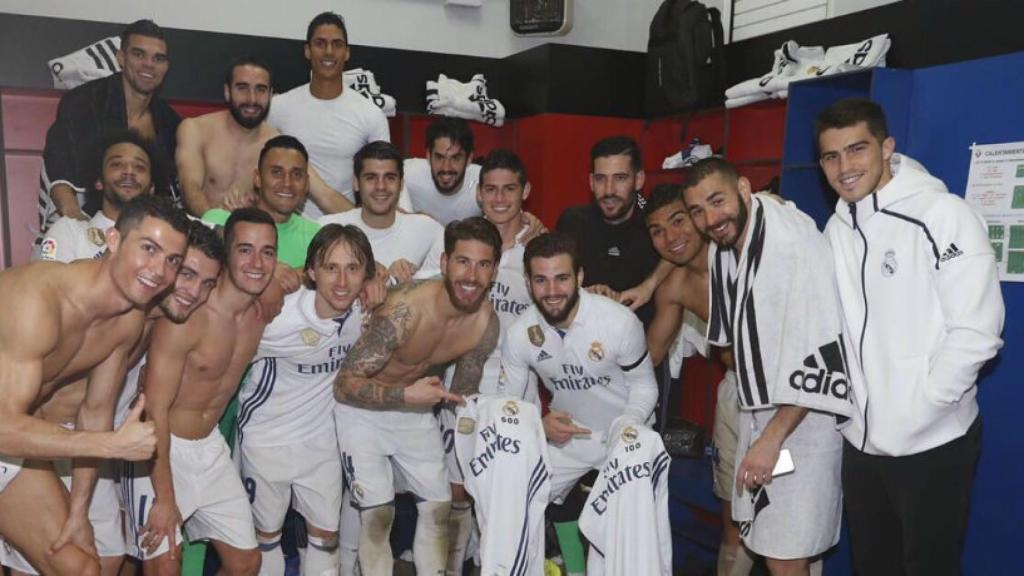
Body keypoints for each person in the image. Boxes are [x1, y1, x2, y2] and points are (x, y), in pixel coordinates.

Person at [817, 98, 1004, 576]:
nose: (844, 167)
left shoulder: (942, 214)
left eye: (857, 149)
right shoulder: (836, 228)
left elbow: (978, 330)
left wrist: (925, 404)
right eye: (831, 156)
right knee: (873, 566)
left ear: (887, 147)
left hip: (933, 440)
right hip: (861, 442)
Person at [2, 220, 224, 576]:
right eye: (186, 273)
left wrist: (78, 512)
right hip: (33, 434)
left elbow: (95, 411)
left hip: (57, 444)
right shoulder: (48, 297)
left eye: (171, 261)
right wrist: (111, 445)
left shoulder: (134, 321)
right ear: (114, 241)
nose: (191, 290)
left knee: (91, 565)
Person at [683, 158, 851, 576]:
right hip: (761, 411)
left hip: (803, 418)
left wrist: (772, 438)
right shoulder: (728, 242)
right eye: (698, 210)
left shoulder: (793, 244)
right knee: (782, 546)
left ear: (743, 188)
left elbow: (823, 353)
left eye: (717, 201)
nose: (710, 219)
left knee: (784, 553)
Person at [333, 217, 501, 576]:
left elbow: (463, 393)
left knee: (439, 508)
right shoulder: (404, 310)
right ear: (444, 262)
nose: (471, 275)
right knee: (378, 514)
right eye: (463, 261)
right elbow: (344, 384)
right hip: (361, 410)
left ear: (495, 271)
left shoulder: (485, 324)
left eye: (483, 264)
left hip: (415, 410)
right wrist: (406, 395)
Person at [497, 232, 659, 573]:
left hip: (626, 435)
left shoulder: (617, 322)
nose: (552, 291)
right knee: (513, 493)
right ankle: (571, 567)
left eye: (562, 278)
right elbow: (507, 406)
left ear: (580, 277)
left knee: (625, 533)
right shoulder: (520, 334)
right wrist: (538, 425)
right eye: (541, 280)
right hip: (569, 437)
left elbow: (645, 386)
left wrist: (628, 423)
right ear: (527, 282)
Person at [135, 208, 280, 576]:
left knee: (246, 564)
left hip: (210, 447)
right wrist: (165, 498)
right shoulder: (187, 315)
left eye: (267, 252)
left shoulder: (261, 312)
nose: (257, 263)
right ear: (226, 254)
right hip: (159, 447)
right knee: (165, 566)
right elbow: (155, 410)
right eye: (245, 250)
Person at [236, 224, 373, 576]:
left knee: (326, 537)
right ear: (311, 271)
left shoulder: (365, 312)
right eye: (331, 268)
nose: (341, 281)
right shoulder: (278, 317)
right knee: (267, 537)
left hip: (322, 442)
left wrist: (384, 279)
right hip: (267, 441)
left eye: (353, 269)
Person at [643, 184, 764, 576]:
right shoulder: (675, 287)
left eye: (678, 221)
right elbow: (649, 358)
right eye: (657, 231)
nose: (670, 237)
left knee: (790, 524)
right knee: (733, 517)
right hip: (735, 391)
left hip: (784, 394)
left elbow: (766, 208)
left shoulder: (739, 250)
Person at [41, 19, 180, 230]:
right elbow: (57, 161)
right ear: (121, 58)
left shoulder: (170, 122)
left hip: (142, 229)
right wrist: (73, 218)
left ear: (167, 66)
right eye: (139, 54)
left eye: (158, 58)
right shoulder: (84, 101)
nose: (149, 64)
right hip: (83, 222)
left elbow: (168, 191)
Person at [176, 57, 351, 217]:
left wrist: (365, 225)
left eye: (261, 90)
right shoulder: (195, 130)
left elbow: (325, 195)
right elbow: (189, 187)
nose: (252, 99)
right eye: (242, 88)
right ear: (227, 91)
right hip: (201, 232)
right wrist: (216, 224)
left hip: (253, 238)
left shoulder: (277, 148)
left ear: (270, 95)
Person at [268, 11, 390, 219]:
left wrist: (404, 216)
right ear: (307, 50)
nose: (329, 52)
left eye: (337, 44)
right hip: (287, 224)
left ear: (347, 53)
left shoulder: (371, 114)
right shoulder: (278, 107)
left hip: (344, 225)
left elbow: (386, 174)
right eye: (320, 43)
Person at [555, 136, 661, 326]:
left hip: (643, 340)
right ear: (591, 182)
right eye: (600, 179)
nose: (609, 190)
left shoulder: (655, 227)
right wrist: (583, 295)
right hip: (578, 337)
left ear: (639, 180)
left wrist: (648, 285)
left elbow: (690, 250)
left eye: (620, 178)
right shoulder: (572, 222)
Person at [319, 141, 445, 283]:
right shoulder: (326, 228)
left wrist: (415, 277)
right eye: (371, 178)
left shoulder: (429, 230)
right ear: (356, 183)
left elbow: (440, 287)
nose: (381, 186)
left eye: (390, 178)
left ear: (401, 184)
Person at [37, 130, 162, 262]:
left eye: (139, 167)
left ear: (152, 187)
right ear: (99, 182)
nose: (129, 171)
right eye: (117, 164)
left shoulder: (163, 238)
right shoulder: (69, 231)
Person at [202, 135, 322, 268]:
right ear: (258, 178)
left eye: (297, 174)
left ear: (306, 184)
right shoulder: (220, 221)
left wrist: (300, 274)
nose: (287, 183)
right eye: (277, 172)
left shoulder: (317, 237)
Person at [403, 117, 482, 225]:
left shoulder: (484, 182)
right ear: (428, 156)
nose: (446, 168)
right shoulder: (409, 173)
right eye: (439, 157)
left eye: (455, 158)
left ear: (469, 159)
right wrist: (407, 216)